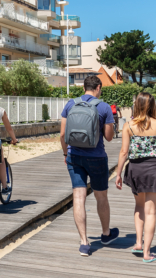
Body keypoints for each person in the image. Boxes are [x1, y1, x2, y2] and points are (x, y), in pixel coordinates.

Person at [60, 76, 119, 257]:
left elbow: (62, 134)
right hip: (96, 157)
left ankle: (84, 242)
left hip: (74, 156)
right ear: (98, 87)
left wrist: (65, 154)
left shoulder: (70, 104)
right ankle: (106, 234)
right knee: (101, 197)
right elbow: (109, 137)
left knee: (78, 197)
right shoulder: (103, 107)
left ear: (84, 87)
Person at [114, 92, 156, 263]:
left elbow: (124, 152)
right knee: (151, 211)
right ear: (153, 105)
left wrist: (118, 174)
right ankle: (147, 253)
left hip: (135, 169)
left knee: (139, 206)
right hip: (154, 170)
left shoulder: (129, 126)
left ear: (136, 105)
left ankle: (139, 243)